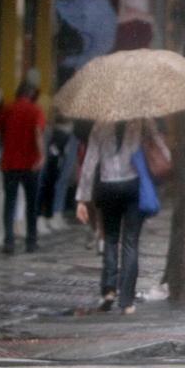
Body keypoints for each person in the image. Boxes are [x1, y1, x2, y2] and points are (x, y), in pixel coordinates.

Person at [75, 118, 170, 314]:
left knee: (110, 238)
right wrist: (167, 156)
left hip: (107, 187)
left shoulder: (100, 124)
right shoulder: (141, 121)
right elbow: (161, 147)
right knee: (130, 242)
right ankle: (126, 301)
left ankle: (109, 289)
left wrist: (82, 199)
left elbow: (90, 161)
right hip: (132, 187)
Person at [0, 78, 46, 254]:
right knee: (32, 203)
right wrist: (41, 155)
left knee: (10, 202)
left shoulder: (8, 109)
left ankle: (9, 241)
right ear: (32, 95)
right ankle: (31, 241)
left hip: (9, 163)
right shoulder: (36, 110)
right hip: (30, 163)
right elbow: (38, 133)